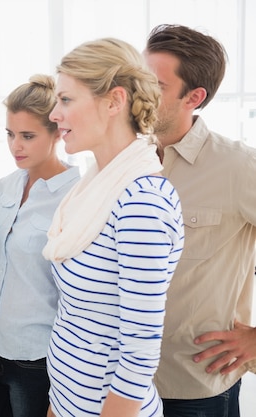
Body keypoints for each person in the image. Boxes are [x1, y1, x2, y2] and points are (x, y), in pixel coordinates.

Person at [43, 38, 185, 417]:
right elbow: (77, 319)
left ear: (114, 102)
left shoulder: (141, 202)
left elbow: (139, 350)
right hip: (69, 401)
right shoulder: (94, 187)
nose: (54, 114)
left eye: (66, 100)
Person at [143, 24, 256, 417]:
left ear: (194, 97)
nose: (138, 94)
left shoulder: (239, 167)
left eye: (154, 85)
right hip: (118, 385)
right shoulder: (118, 162)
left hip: (192, 391)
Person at [0, 74, 80, 417]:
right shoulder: (7, 186)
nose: (16, 146)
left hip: (38, 363)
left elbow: (81, 301)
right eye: (11, 134)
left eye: (28, 136)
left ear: (57, 132)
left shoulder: (76, 195)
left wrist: (64, 392)